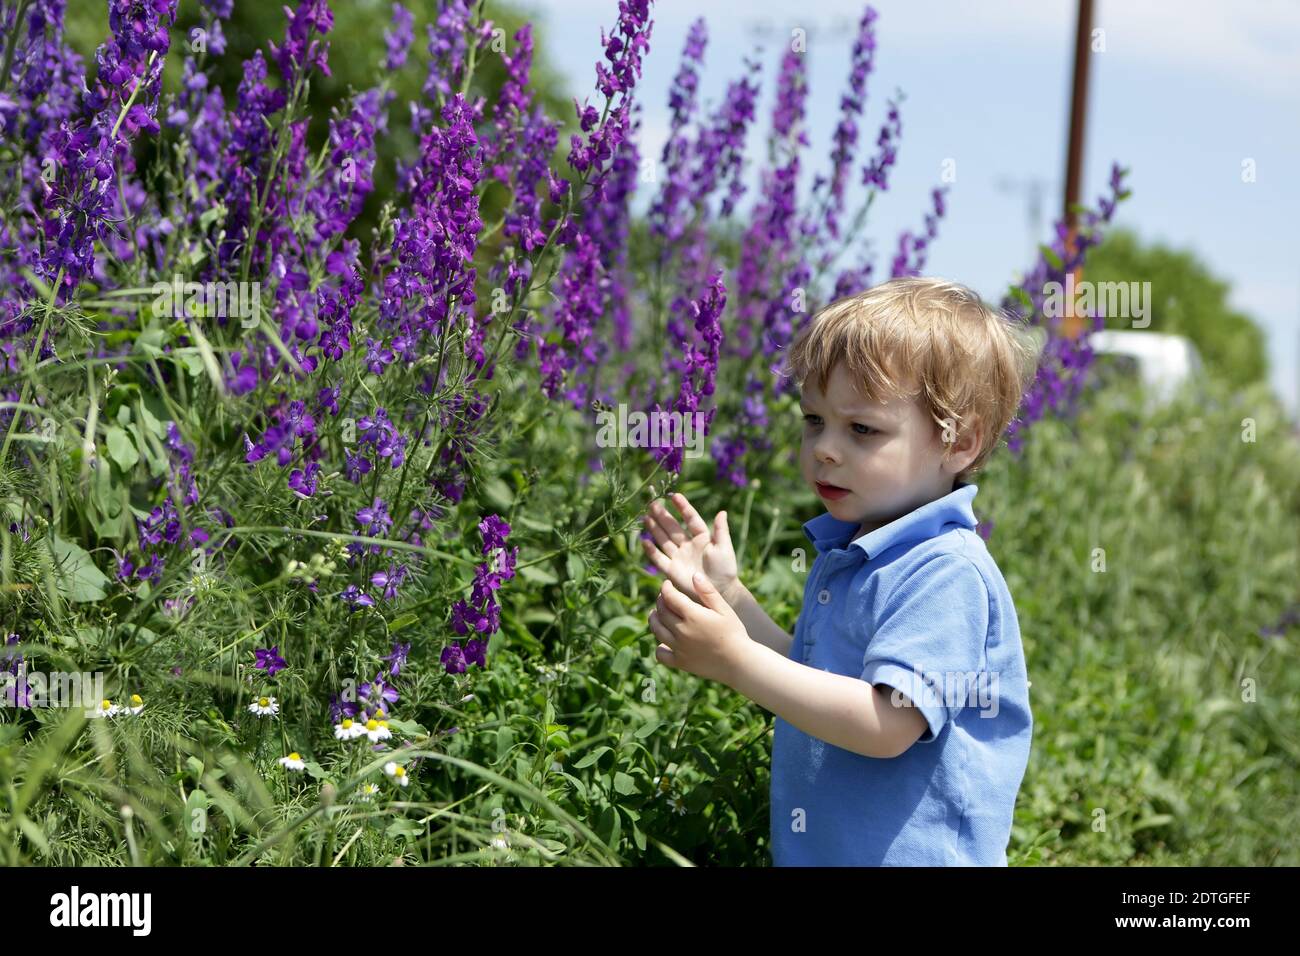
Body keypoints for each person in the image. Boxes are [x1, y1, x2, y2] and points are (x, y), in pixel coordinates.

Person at [642, 276, 1039, 865]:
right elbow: (809, 676)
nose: (825, 448)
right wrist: (727, 595)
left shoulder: (945, 573)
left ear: (960, 443)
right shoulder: (855, 553)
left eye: (861, 429)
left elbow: (886, 724)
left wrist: (734, 661)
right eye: (813, 420)